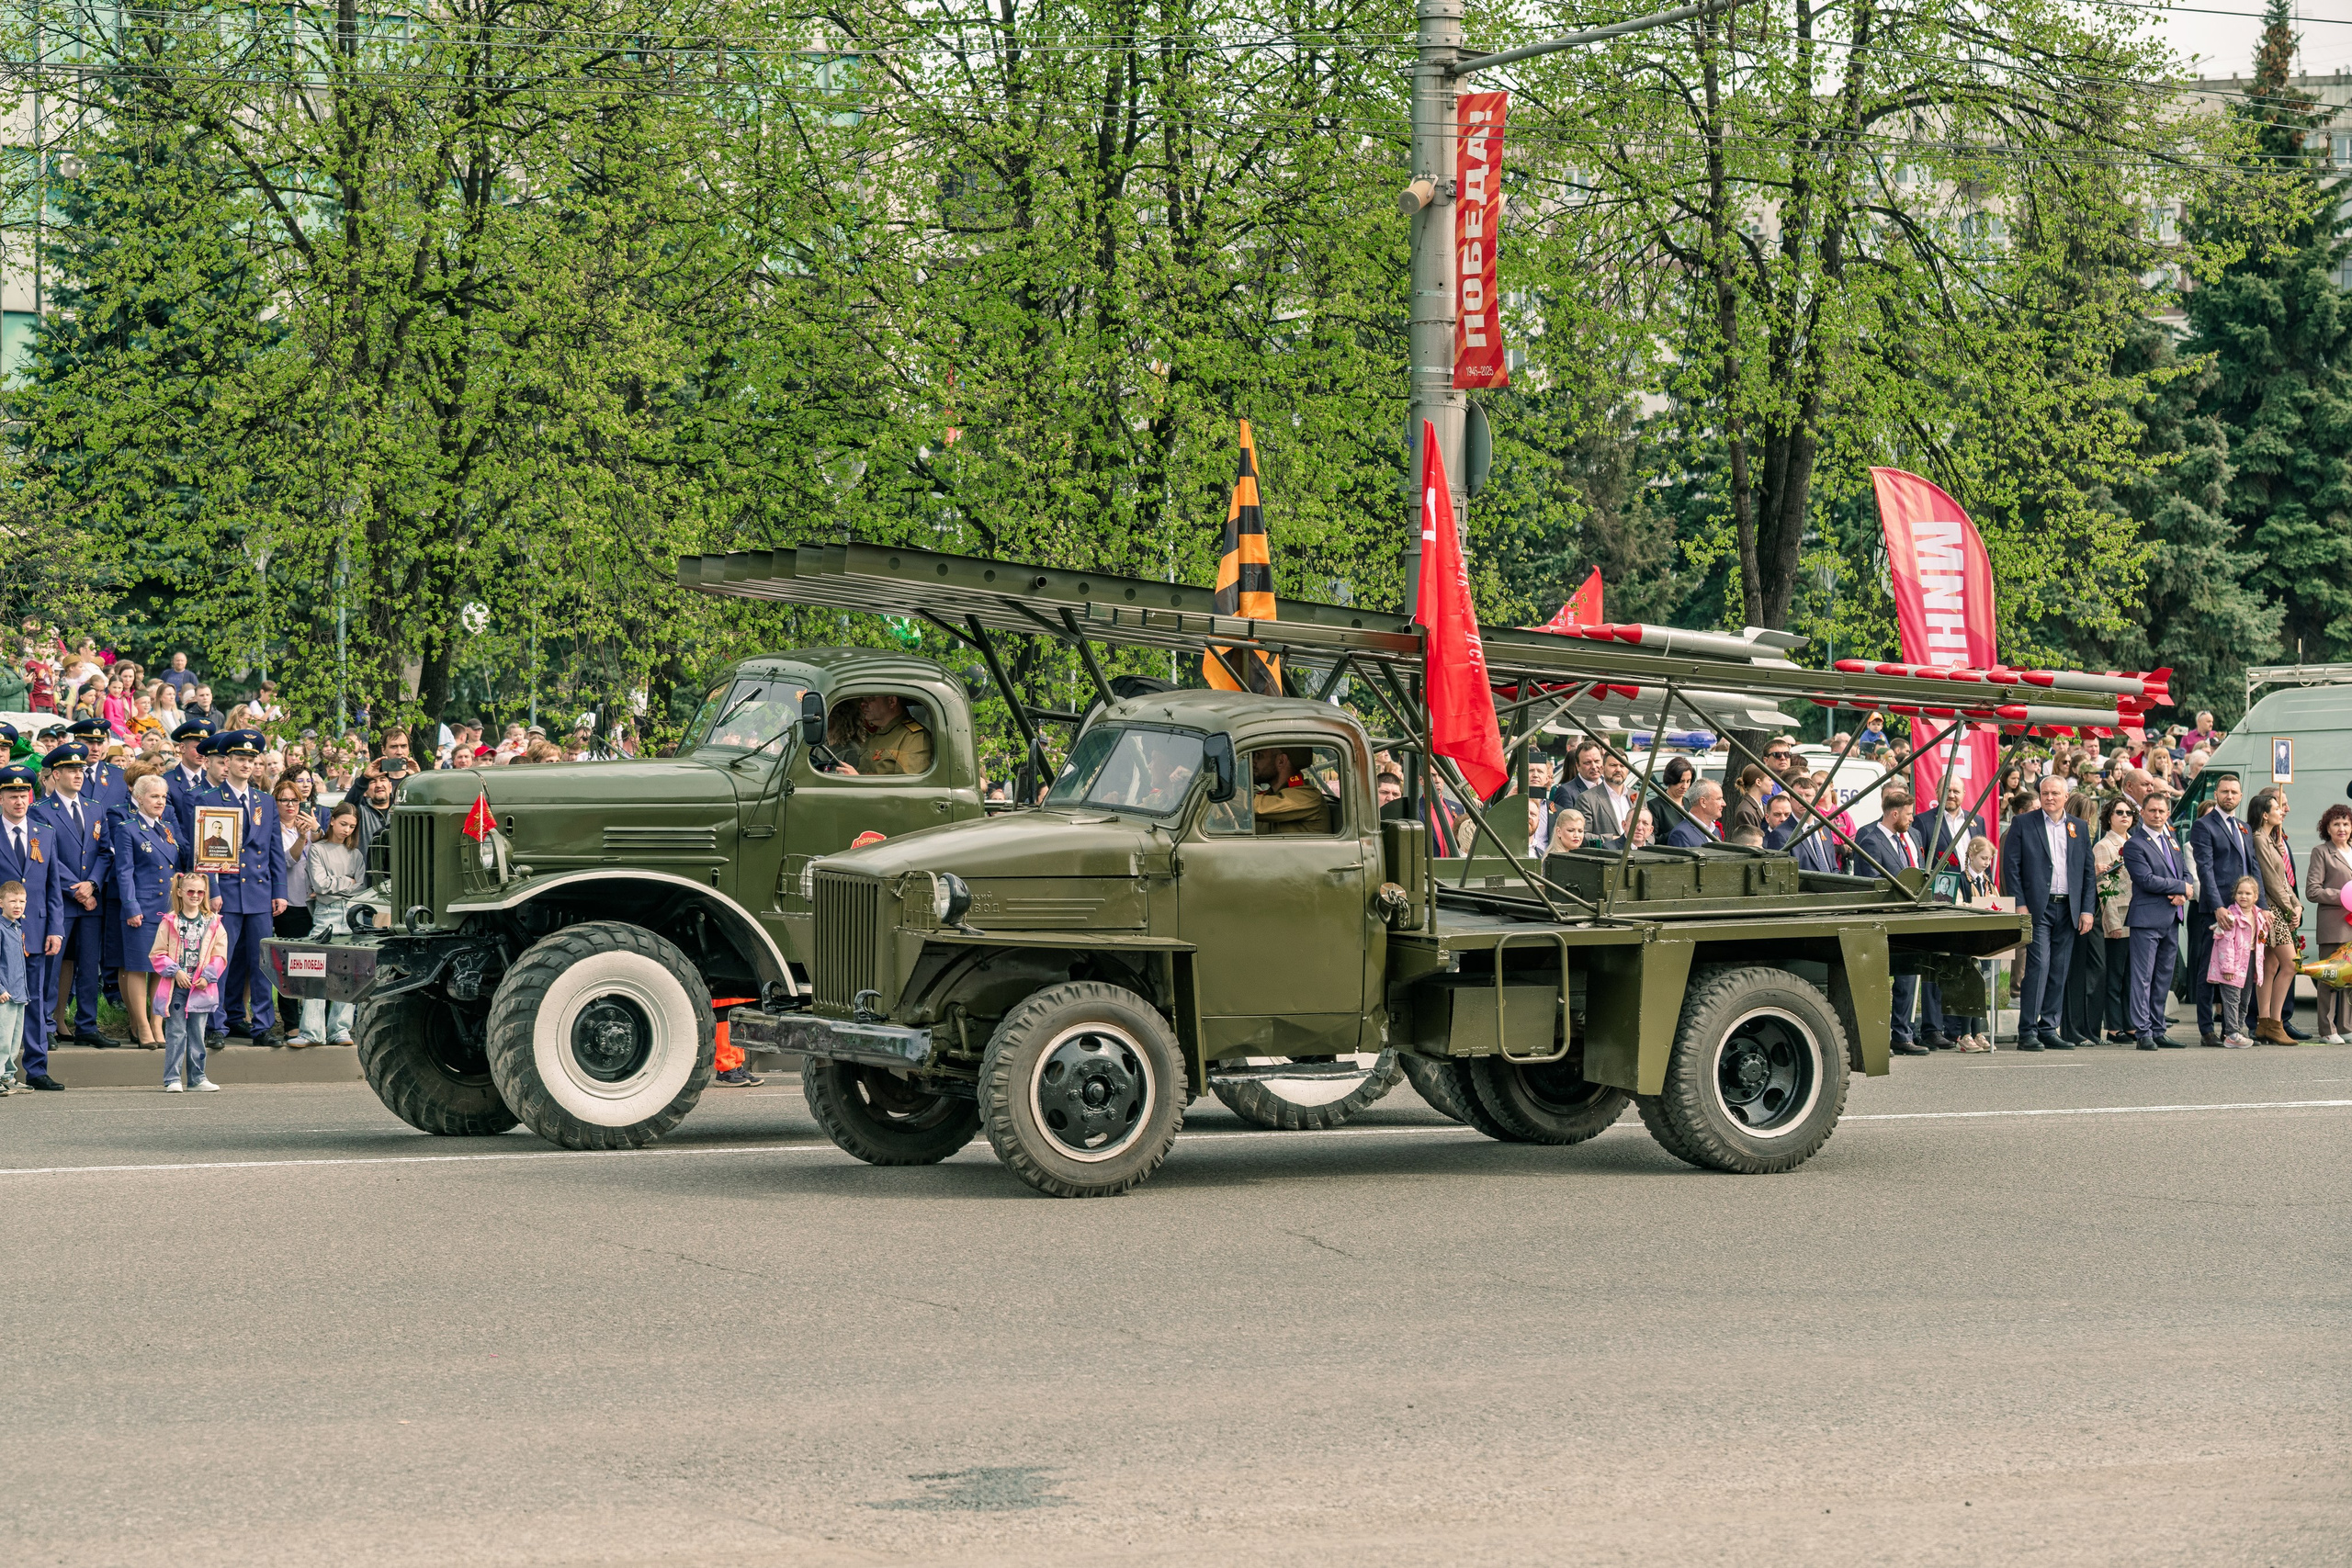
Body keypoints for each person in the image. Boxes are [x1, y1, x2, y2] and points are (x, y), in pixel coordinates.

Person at [195, 730, 288, 1044]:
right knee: (220, 962)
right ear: (227, 761)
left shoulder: (264, 800)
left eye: (251, 759)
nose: (247, 764)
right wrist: (214, 891)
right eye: (240, 759)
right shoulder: (209, 798)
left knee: (261, 963)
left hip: (260, 893)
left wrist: (280, 892)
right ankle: (216, 1026)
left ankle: (262, 1025)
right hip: (228, 892)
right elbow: (205, 854)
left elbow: (274, 849)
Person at [2000, 773, 2094, 1052]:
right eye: (2045, 793)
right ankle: (2027, 1030)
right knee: (2039, 967)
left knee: (2059, 969)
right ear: (2039, 796)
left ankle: (2049, 1027)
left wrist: (2087, 910)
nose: (2050, 798)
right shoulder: (2023, 823)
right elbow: (2011, 866)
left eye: (2055, 794)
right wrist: (2019, 903)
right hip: (2037, 907)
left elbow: (2087, 872)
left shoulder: (2078, 827)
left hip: (2068, 908)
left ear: (2066, 797)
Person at [34, 741, 114, 1045]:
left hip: (91, 900)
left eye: (80, 769)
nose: (78, 775)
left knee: (89, 964)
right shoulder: (40, 811)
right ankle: (45, 1025)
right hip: (61, 901)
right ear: (55, 774)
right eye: (70, 770)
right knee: (52, 966)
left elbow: (105, 852)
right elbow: (46, 856)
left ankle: (87, 1026)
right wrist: (77, 889)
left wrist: (92, 884)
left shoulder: (94, 808)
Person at [0, 764, 66, 1089]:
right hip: (2, 933)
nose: (19, 801)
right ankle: (1, 1070)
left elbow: (53, 887)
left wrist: (56, 928)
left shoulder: (44, 833)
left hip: (38, 932)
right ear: (1, 798)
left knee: (36, 999)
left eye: (23, 794)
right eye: (12, 795)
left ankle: (37, 1068)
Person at [111, 773, 186, 1048]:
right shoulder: (127, 828)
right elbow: (124, 871)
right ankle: (142, 1025)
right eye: (154, 796)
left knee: (161, 969)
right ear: (139, 797)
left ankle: (157, 1023)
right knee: (138, 967)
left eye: (163, 797)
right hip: (140, 906)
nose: (160, 801)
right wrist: (131, 906)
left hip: (166, 909)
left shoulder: (166, 828)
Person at [2119, 790, 2194, 1049]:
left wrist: (2185, 889)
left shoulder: (2171, 838)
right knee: (2143, 978)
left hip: (2172, 917)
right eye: (2152, 810)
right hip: (2147, 919)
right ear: (2142, 813)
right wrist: (2181, 888)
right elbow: (2146, 879)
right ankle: (2143, 1032)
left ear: (2168, 813)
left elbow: (2185, 871)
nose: (2157, 815)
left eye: (2162, 811)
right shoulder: (2134, 844)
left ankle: (2158, 1027)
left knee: (2163, 976)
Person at [2188, 773, 2257, 1046]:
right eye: (2224, 791)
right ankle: (2206, 1029)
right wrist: (2217, 906)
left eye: (2234, 792)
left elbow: (2253, 869)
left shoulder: (2244, 828)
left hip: (2245, 912)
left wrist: (2260, 906)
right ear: (2216, 795)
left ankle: (2233, 1028)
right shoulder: (2204, 826)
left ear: (2241, 797)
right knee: (2209, 970)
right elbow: (2204, 869)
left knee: (2240, 971)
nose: (2229, 796)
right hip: (2214, 911)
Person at [149, 872, 227, 1091]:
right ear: (180, 892)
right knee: (176, 1032)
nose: (195, 895)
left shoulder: (213, 923)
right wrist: (175, 972)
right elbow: (157, 953)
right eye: (190, 891)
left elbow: (220, 955)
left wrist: (208, 976)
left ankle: (197, 1077)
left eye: (200, 892)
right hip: (177, 987)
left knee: (198, 1032)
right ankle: (173, 1078)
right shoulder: (170, 921)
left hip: (201, 987)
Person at [299, 802, 366, 1047]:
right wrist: (345, 882)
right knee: (315, 973)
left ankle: (340, 1030)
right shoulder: (317, 849)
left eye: (352, 826)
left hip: (349, 916)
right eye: (343, 823)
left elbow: (359, 886)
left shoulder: (356, 854)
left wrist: (336, 884)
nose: (347, 829)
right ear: (332, 821)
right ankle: (311, 1032)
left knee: (346, 975)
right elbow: (319, 885)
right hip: (325, 914)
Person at [2247, 789, 2301, 1044]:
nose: (2282, 811)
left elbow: (2284, 881)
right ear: (2265, 814)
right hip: (2272, 909)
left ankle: (2265, 1022)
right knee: (2290, 964)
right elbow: (2271, 881)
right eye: (2276, 808)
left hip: (2280, 907)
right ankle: (2275, 1023)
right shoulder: (2259, 838)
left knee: (2270, 967)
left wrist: (2297, 905)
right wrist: (2290, 909)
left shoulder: (2270, 839)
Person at [2091, 798, 2139, 1043]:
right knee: (2115, 975)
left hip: (2137, 916)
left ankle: (2130, 1024)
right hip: (2118, 916)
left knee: (2131, 975)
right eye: (2119, 812)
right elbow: (2104, 889)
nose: (2124, 816)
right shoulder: (2104, 845)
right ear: (2109, 816)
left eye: (2128, 813)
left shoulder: (2135, 843)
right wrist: (2112, 923)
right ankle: (2113, 1027)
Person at [2307, 804, 2352, 1043]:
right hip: (2334, 926)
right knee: (2329, 978)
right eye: (2336, 824)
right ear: (2327, 828)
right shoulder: (2321, 852)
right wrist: (2345, 895)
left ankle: (2345, 1027)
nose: (2341, 828)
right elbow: (2313, 890)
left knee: (2349, 978)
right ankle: (2327, 1029)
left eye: (2345, 823)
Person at [2207, 876, 2268, 1049]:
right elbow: (2225, 944)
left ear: (2256, 897)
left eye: (2248, 893)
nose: (2244, 896)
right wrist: (2227, 968)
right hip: (2233, 965)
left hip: (2249, 962)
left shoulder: (2258, 916)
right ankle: (2232, 1032)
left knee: (2244, 999)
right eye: (2240, 893)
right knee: (2232, 999)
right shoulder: (2231, 916)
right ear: (2235, 895)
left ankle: (2237, 1032)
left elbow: (2260, 941)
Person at [824, 694, 933, 777]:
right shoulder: (875, 737)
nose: (863, 705)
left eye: (870, 699)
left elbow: (909, 789)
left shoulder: (914, 738)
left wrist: (858, 781)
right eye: (863, 700)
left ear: (891, 701)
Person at [1249, 750, 1333, 835]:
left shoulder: (1306, 796)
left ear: (1281, 761)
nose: (1252, 762)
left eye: (1259, 756)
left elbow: (1251, 805)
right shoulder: (1273, 793)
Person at [0, 881, 26, 1092]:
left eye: (22, 901)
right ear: (1, 903)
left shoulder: (17, 928)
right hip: (5, 994)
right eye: (13, 901)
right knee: (2, 1039)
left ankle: (8, 1076)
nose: (18, 905)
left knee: (14, 1040)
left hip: (19, 994)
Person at [1664, 780, 1724, 847]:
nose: (1724, 804)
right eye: (1719, 799)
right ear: (1703, 802)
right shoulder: (1681, 834)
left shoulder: (1715, 831)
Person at [1725, 763, 1772, 840]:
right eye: (1769, 779)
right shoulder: (1745, 811)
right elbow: (1750, 841)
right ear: (1758, 782)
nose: (1772, 783)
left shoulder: (1762, 806)